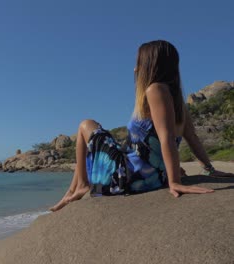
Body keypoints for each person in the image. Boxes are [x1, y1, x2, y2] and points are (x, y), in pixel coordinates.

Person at [50, 40, 232, 212]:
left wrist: (175, 182)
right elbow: (191, 137)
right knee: (97, 137)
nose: (135, 68)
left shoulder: (155, 89)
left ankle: (79, 186)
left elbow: (166, 137)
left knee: (85, 125)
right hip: (153, 177)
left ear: (150, 65)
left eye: (139, 62)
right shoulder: (177, 102)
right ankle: (76, 187)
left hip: (129, 176)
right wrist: (209, 169)